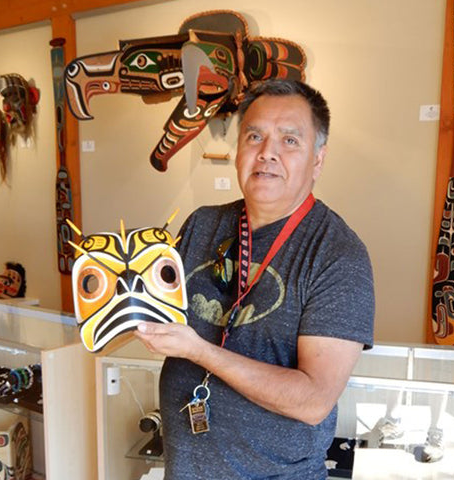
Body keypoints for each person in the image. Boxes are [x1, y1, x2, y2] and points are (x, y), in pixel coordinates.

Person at [136, 79, 375, 479]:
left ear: (318, 159)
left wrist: (200, 351)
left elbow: (313, 399)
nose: (267, 154)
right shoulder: (201, 224)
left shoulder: (338, 255)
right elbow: (157, 307)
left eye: (289, 141)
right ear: (238, 151)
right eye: (254, 136)